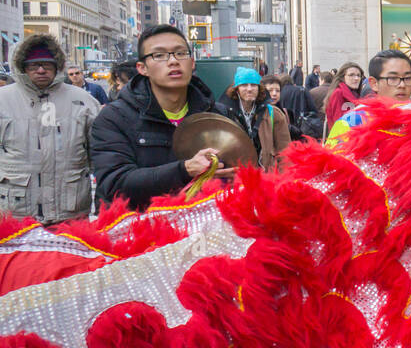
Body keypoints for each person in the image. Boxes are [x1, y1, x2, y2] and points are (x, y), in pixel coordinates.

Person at [91, 25, 236, 210]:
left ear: (192, 63)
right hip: (143, 230)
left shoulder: (218, 115)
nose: (173, 61)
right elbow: (114, 184)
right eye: (159, 55)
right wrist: (184, 170)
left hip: (205, 229)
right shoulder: (114, 118)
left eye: (180, 53)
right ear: (142, 68)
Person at [0, 34, 100, 223]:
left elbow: (99, 156)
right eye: (33, 65)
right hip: (15, 215)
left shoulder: (83, 101)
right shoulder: (2, 101)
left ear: (57, 66)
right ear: (22, 67)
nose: (40, 70)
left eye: (46, 65)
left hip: (70, 213)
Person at [325, 50, 411, 146]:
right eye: (393, 78)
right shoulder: (350, 122)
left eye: (408, 78)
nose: (402, 85)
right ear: (374, 83)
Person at [226, 67, 291, 171]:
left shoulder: (274, 114)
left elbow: (285, 151)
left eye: (253, 85)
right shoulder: (226, 113)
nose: (249, 89)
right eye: (244, 85)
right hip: (237, 178)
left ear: (259, 88)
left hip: (266, 177)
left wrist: (284, 180)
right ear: (236, 89)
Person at [324, 63, 364, 130]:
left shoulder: (355, 93)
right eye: (351, 75)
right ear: (342, 77)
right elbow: (338, 122)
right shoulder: (338, 93)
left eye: (358, 75)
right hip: (343, 137)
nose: (356, 78)